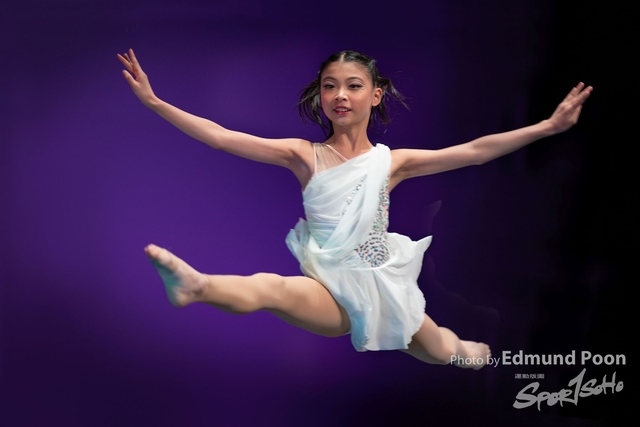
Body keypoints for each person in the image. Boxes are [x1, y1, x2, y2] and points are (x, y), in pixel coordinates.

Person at [117, 48, 592, 368]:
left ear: (375, 94)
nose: (340, 95)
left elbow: (473, 151)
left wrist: (547, 127)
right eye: (330, 86)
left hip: (382, 286)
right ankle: (197, 285)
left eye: (353, 85)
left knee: (443, 350)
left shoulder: (392, 162)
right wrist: (155, 102)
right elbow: (222, 137)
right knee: (271, 288)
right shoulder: (303, 154)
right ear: (320, 96)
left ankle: (467, 351)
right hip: (328, 287)